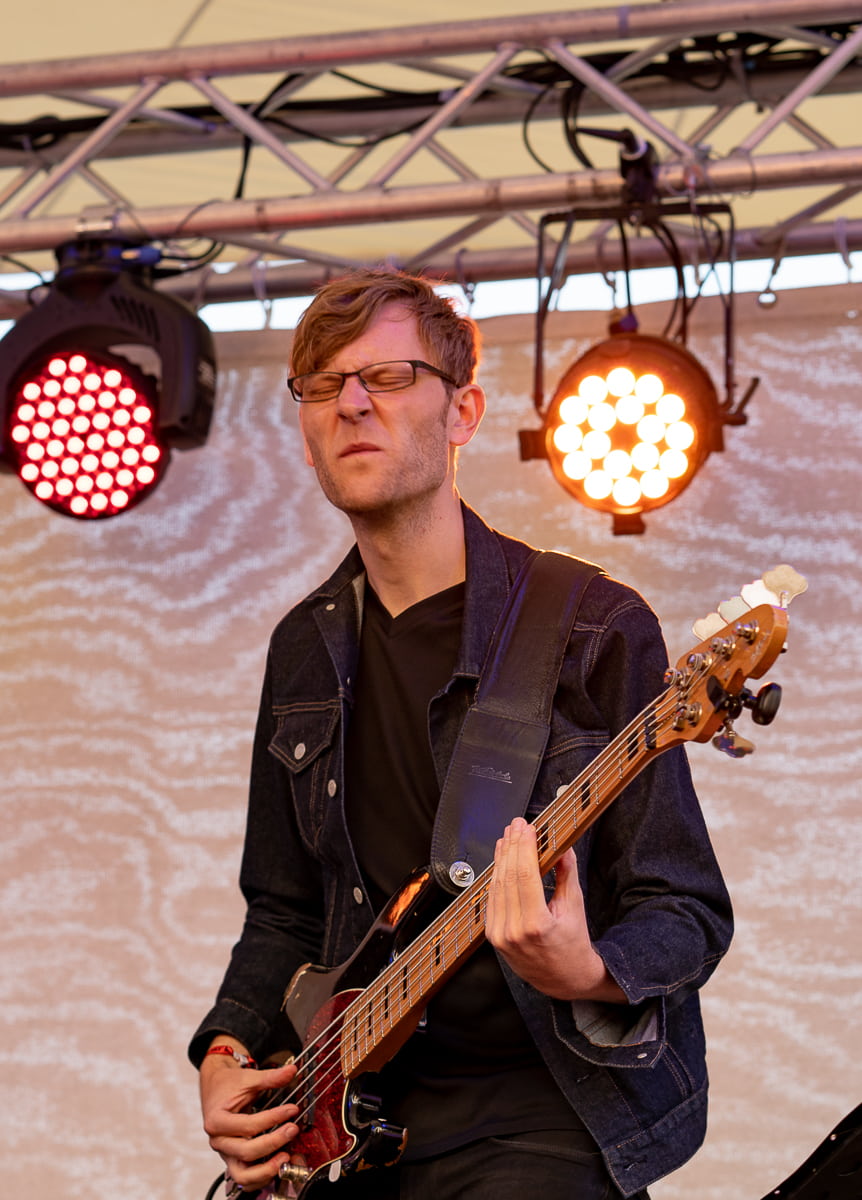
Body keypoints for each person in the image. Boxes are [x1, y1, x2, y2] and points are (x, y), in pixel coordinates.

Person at [190, 268, 733, 1200]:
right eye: (323, 385)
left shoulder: (591, 625)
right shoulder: (303, 649)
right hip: (349, 1131)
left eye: (389, 376)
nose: (351, 403)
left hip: (542, 1120)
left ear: (464, 413)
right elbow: (282, 909)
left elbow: (686, 910)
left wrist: (587, 969)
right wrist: (225, 1050)